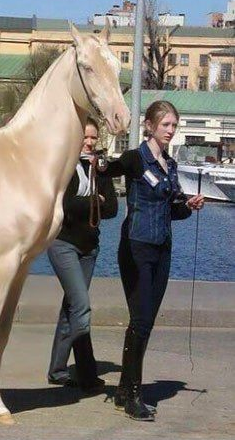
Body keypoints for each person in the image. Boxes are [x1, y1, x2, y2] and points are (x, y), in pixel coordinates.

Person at [100, 101, 204, 421]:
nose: (170, 131)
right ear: (149, 126)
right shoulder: (136, 158)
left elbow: (173, 210)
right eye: (165, 125)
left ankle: (123, 390)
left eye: (174, 125)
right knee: (141, 320)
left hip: (162, 249)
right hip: (136, 247)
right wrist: (97, 160)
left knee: (145, 322)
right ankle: (133, 395)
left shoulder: (169, 165)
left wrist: (189, 205)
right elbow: (110, 168)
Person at [47, 117, 118, 392]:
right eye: (84, 137)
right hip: (63, 243)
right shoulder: (64, 167)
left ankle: (57, 370)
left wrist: (92, 202)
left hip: (90, 248)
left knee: (72, 307)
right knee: (81, 306)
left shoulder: (99, 169)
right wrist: (94, 201)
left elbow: (112, 209)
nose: (89, 143)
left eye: (93, 138)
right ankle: (87, 373)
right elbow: (64, 205)